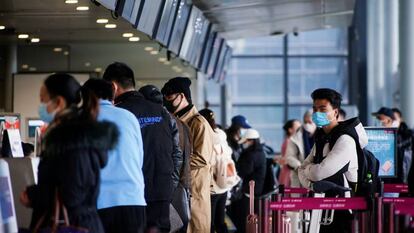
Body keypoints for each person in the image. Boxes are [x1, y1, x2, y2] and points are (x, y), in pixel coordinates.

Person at [19, 73, 118, 233]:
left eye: (43, 99)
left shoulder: (72, 139)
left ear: (59, 102)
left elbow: (73, 192)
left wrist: (34, 195)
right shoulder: (74, 135)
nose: (41, 106)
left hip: (73, 225)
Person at [103, 62, 181, 232]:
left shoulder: (119, 114)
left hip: (134, 195)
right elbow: (176, 153)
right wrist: (170, 184)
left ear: (113, 86)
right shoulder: (161, 112)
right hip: (162, 190)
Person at [298, 88, 368, 233]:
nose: (317, 113)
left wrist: (309, 173)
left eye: (323, 109)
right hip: (322, 208)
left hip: (342, 211)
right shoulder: (321, 138)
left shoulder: (345, 140)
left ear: (335, 112)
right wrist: (313, 185)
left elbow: (318, 173)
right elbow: (301, 170)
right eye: (315, 109)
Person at [81, 78, 146, 233]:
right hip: (134, 200)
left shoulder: (84, 119)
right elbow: (139, 158)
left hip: (101, 203)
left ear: (87, 98)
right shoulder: (129, 117)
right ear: (112, 96)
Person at [161, 77, 215, 233]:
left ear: (182, 96)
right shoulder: (174, 121)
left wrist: (175, 162)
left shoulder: (198, 123)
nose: (167, 101)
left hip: (195, 192)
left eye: (170, 97)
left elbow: (202, 158)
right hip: (182, 190)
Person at [139, 84, 190, 233]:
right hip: (168, 187)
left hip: (160, 189)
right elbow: (178, 156)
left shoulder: (164, 120)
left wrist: (170, 185)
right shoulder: (175, 120)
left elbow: (177, 156)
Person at [199, 108, 238, 233]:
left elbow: (207, 161)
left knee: (208, 222)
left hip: (212, 187)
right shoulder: (221, 135)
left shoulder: (206, 136)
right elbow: (228, 154)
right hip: (223, 185)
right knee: (220, 222)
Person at [234, 128, 266, 233]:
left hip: (250, 190)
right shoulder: (260, 151)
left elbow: (244, 170)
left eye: (246, 141)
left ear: (251, 141)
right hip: (256, 188)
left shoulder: (251, 154)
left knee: (243, 217)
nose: (245, 144)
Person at [373, 107, 413, 183]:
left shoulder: (405, 136)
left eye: (380, 119)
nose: (379, 122)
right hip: (382, 176)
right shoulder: (379, 136)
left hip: (397, 179)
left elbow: (399, 154)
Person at [285, 112, 316, 188]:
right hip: (299, 176)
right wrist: (300, 168)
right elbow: (289, 157)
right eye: (306, 122)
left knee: (317, 198)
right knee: (299, 198)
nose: (308, 124)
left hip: (317, 175)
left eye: (310, 122)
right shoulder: (294, 138)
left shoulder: (323, 135)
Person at [276, 119, 301, 187]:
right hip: (289, 172)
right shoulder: (289, 142)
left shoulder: (290, 141)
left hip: (288, 171)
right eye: (298, 128)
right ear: (290, 130)